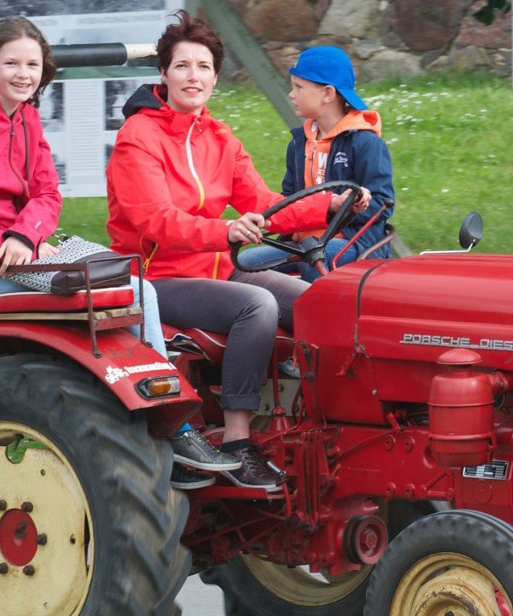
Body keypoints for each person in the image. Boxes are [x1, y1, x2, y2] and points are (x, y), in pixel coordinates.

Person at [105, 11, 370, 491]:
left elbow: (267, 206)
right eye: (182, 66)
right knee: (257, 304)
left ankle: (330, 426)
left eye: (203, 67)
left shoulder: (220, 138)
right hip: (156, 277)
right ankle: (237, 441)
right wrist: (224, 233)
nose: (193, 76)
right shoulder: (137, 139)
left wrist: (330, 206)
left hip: (217, 271)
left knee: (320, 298)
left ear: (215, 76)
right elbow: (153, 220)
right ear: (163, 74)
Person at [0, 16, 169, 360]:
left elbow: (48, 193)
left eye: (32, 64)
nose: (23, 74)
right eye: (11, 63)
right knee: (136, 290)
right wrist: (7, 245)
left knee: (128, 284)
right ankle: (163, 400)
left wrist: (26, 235)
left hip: (25, 254)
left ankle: (147, 386)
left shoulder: (27, 116)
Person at [241, 45, 395, 281]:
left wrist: (349, 207)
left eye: (299, 87)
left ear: (328, 94)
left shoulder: (365, 143)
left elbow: (383, 203)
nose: (291, 94)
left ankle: (310, 315)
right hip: (302, 243)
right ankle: (271, 314)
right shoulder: (298, 143)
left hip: (352, 242)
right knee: (243, 265)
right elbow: (289, 196)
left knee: (314, 259)